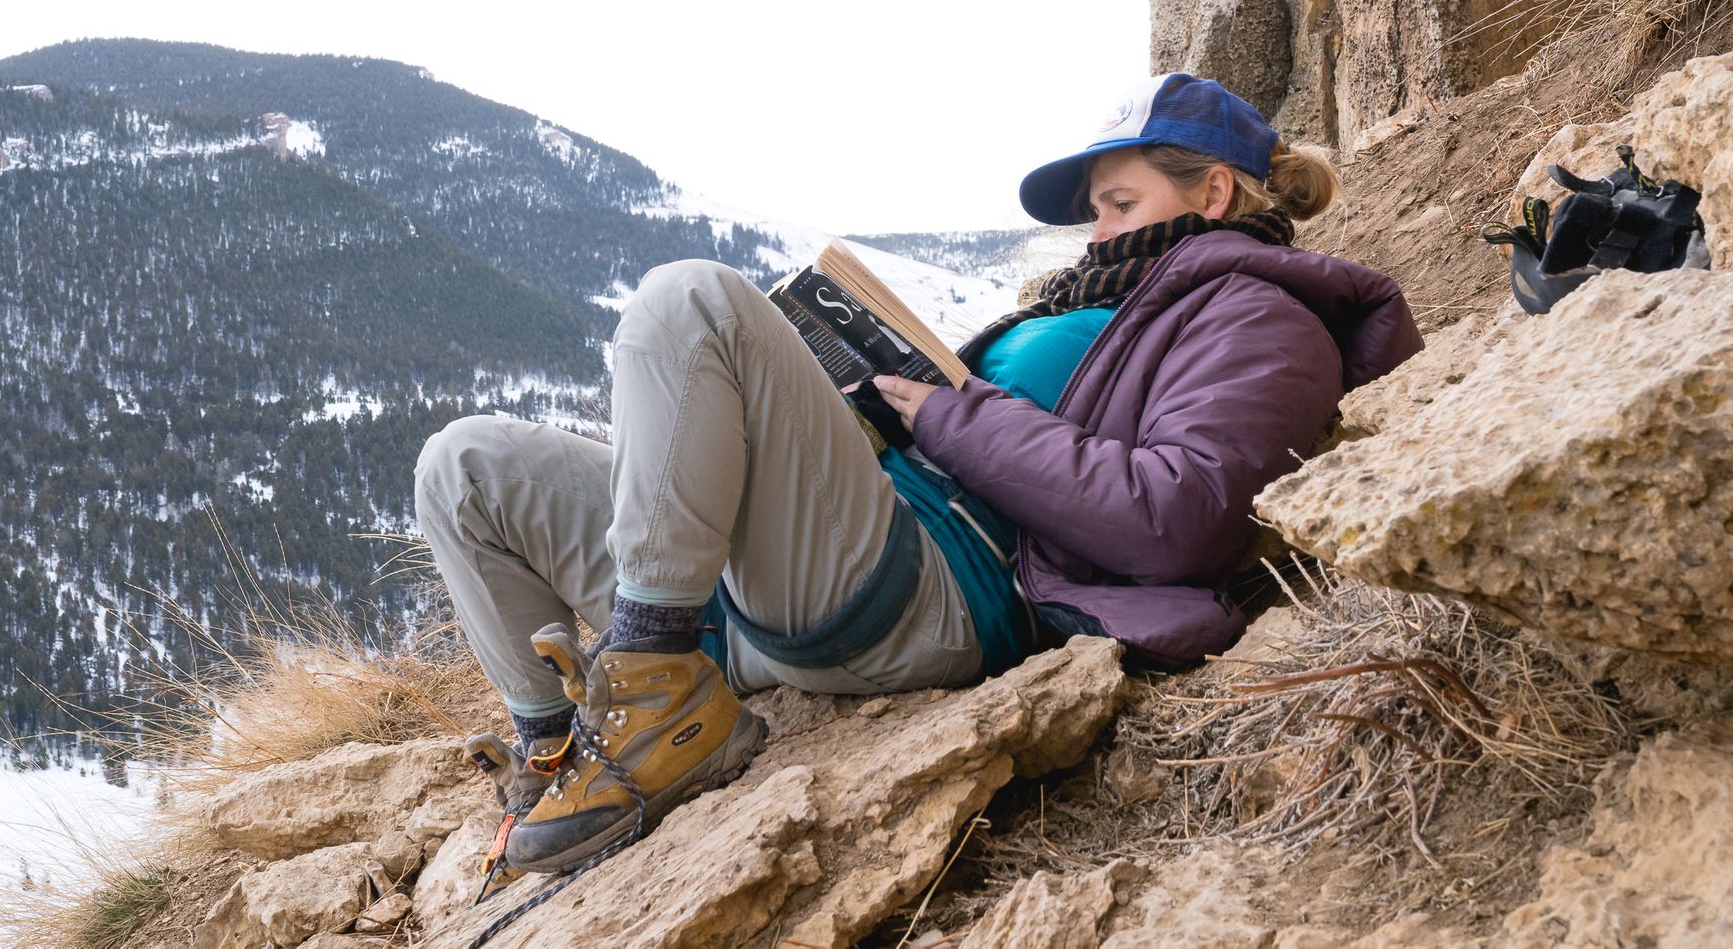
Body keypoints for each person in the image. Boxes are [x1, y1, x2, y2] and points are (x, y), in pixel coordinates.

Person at [415, 72, 1423, 888]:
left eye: (1118, 203)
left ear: (1211, 193)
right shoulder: (1104, 299)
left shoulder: (1257, 318)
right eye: (1094, 213)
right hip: (833, 555)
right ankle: (558, 756)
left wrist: (949, 412)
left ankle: (651, 696)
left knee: (693, 301)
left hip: (938, 589)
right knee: (463, 465)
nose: (1098, 230)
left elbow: (1180, 517)